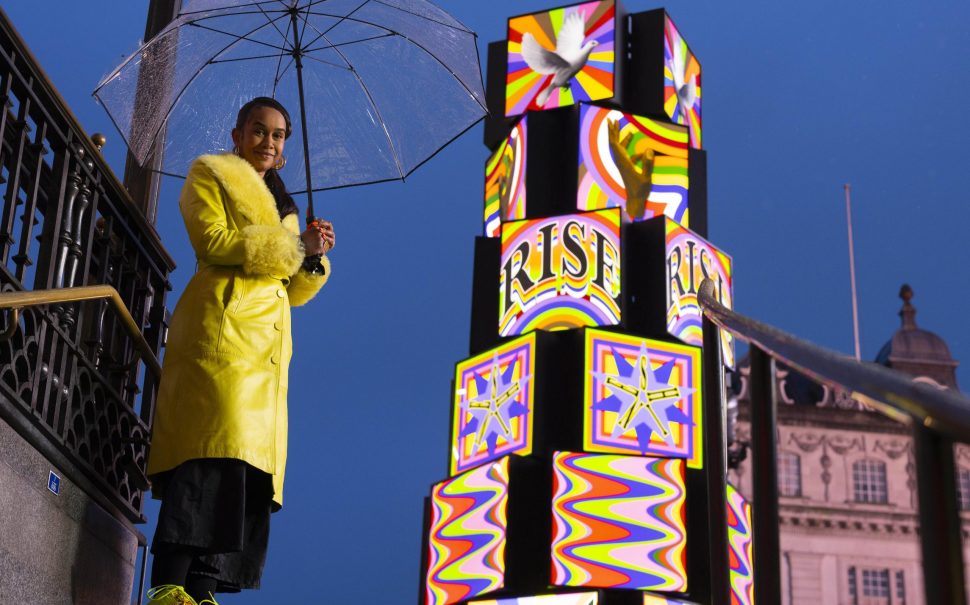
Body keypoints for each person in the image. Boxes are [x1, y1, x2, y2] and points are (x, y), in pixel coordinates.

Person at [144, 97, 335, 605]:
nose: (268, 142)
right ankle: (167, 586)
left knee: (245, 471)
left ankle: (203, 591)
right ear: (237, 134)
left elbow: (291, 289)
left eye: (277, 135)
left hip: (266, 353)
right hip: (222, 333)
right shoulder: (211, 174)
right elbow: (213, 242)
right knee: (207, 458)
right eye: (258, 130)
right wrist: (294, 247)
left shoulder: (287, 208)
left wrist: (311, 258)